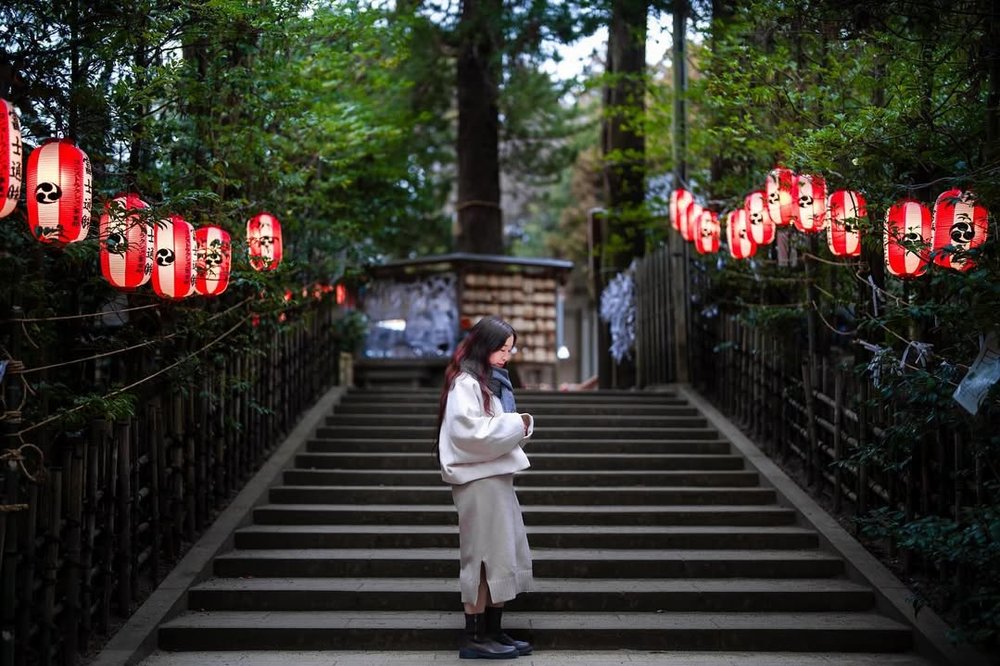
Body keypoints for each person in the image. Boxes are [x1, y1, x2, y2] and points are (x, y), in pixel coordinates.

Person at [436, 315, 535, 660]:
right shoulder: (466, 382)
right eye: (502, 348)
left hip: (492, 478)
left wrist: (513, 425)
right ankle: (476, 634)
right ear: (485, 345)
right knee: (481, 557)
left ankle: (491, 630)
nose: (507, 355)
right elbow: (467, 432)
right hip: (478, 481)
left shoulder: (486, 381)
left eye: (510, 349)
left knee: (499, 554)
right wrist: (516, 424)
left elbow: (485, 430)